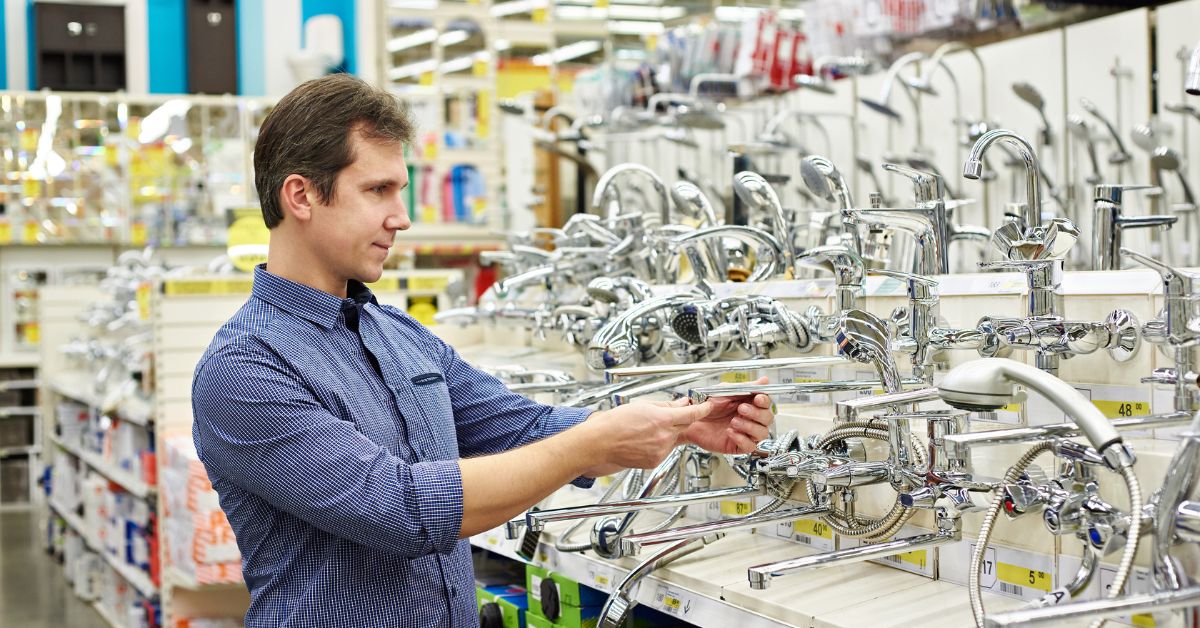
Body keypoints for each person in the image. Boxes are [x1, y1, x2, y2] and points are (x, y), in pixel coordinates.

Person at [191, 73, 775, 627]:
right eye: (378, 190)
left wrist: (681, 424)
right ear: (301, 195)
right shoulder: (245, 369)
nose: (403, 217)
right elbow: (402, 509)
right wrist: (590, 442)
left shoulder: (399, 336)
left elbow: (530, 430)